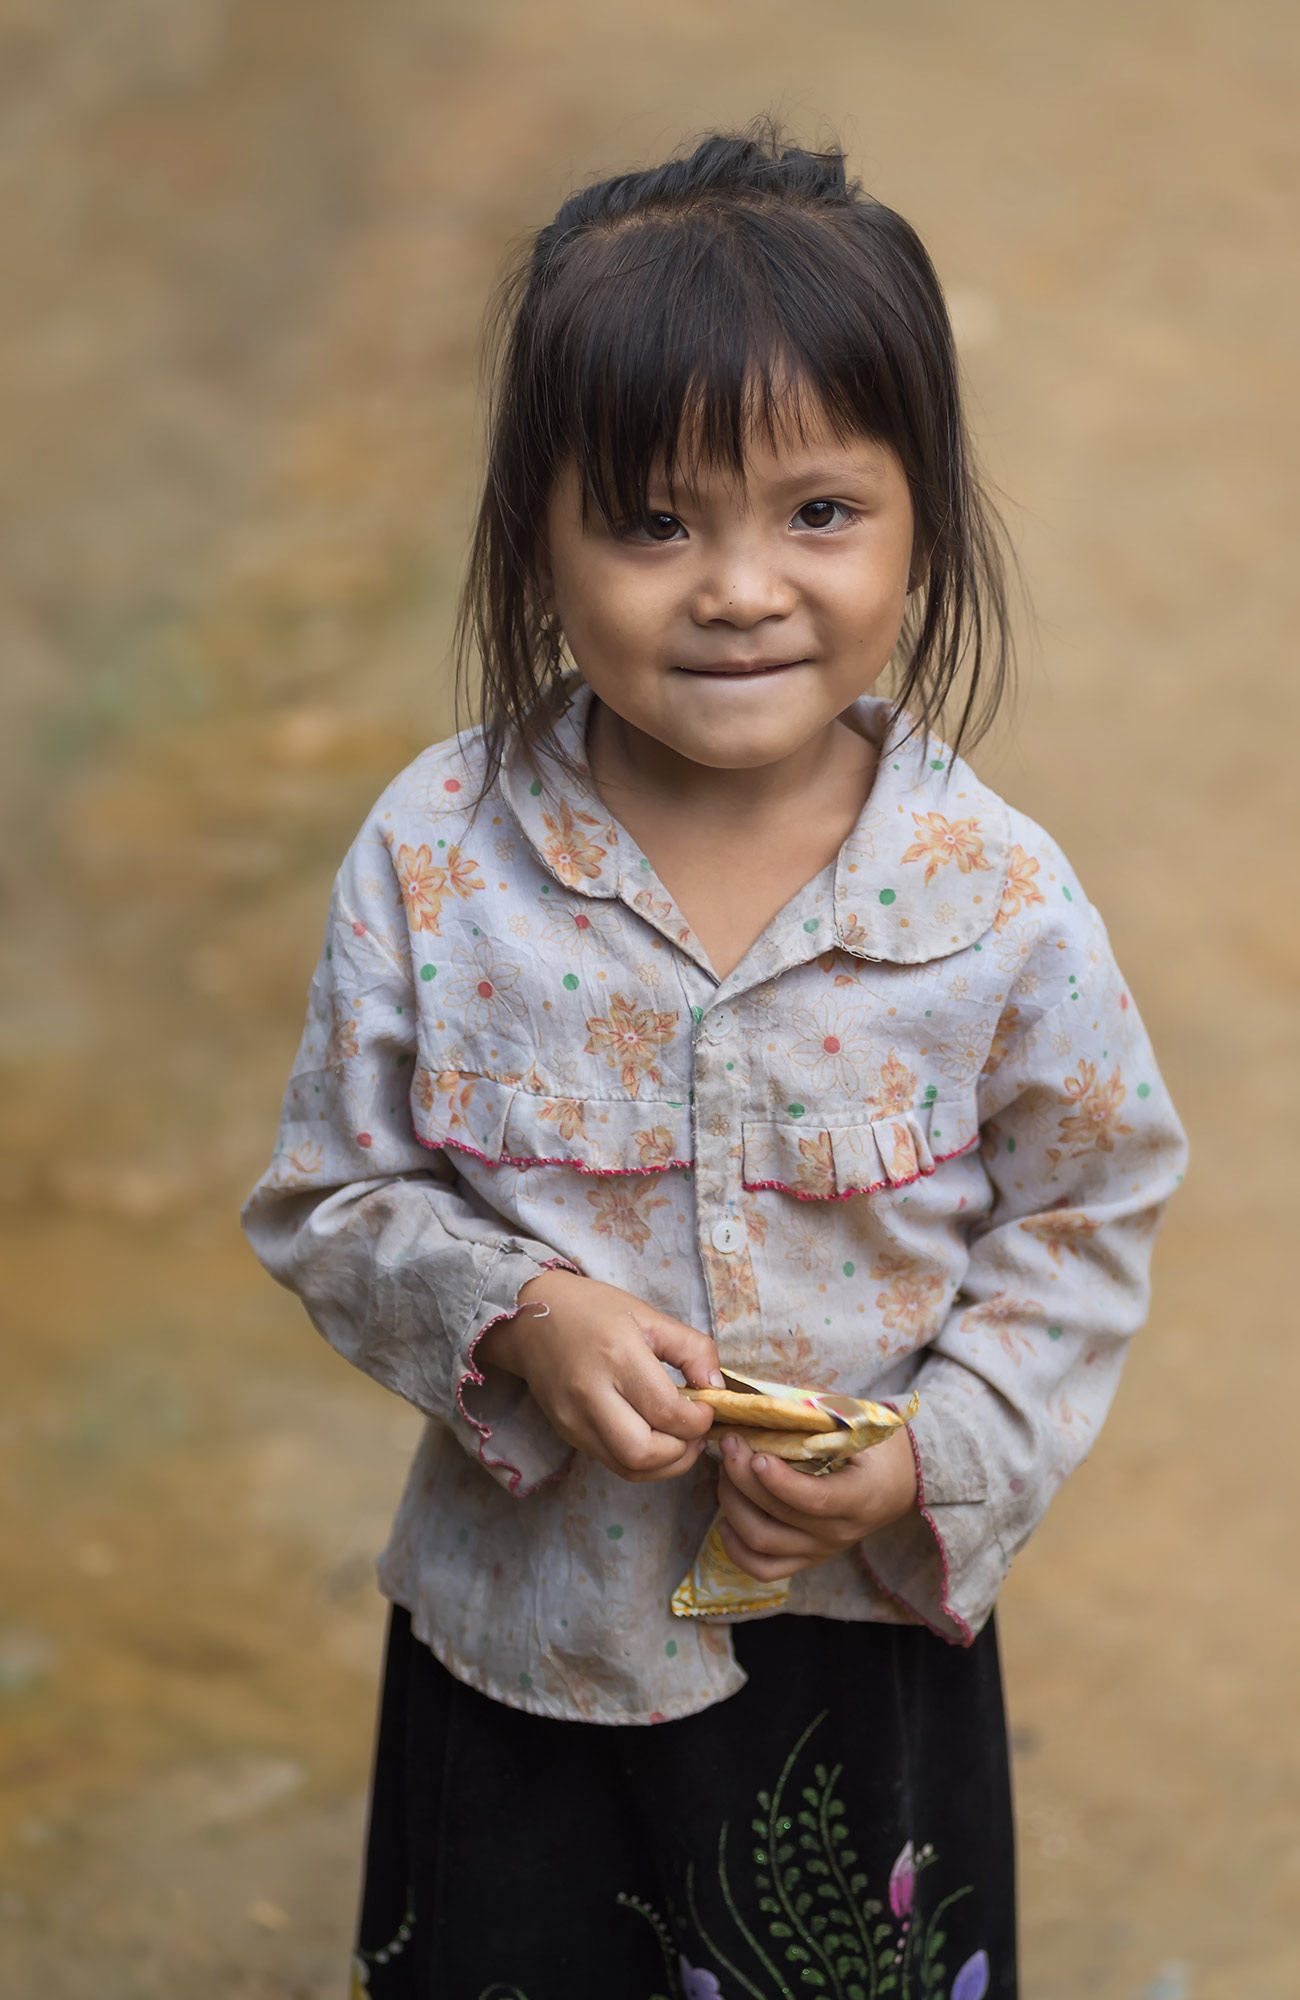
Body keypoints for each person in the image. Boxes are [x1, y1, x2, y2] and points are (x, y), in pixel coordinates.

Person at [243, 125, 1186, 2000]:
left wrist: (933, 1454)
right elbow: (331, 1195)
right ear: (538, 537)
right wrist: (518, 1315)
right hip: (526, 1640)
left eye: (819, 514)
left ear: (926, 516)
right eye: (655, 520)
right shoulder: (440, 859)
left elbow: (1090, 1210)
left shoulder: (994, 898)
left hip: (854, 1630)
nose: (742, 586)